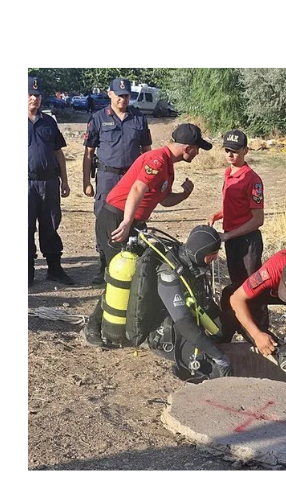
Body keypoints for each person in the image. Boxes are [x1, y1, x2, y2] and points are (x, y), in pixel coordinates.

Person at [83, 124, 211, 345]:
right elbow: (137, 189)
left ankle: (129, 324)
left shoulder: (168, 165)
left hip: (132, 221)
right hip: (116, 218)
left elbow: (163, 199)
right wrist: (126, 222)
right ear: (187, 148)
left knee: (139, 273)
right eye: (197, 148)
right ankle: (94, 326)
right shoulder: (157, 160)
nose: (198, 153)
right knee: (119, 274)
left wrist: (184, 195)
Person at [83, 77, 151, 284]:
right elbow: (88, 153)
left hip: (132, 178)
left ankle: (134, 263)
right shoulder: (97, 118)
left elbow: (147, 152)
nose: (123, 99)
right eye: (119, 95)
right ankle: (104, 265)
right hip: (107, 177)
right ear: (109, 93)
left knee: (135, 218)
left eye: (126, 95)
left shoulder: (139, 118)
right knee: (104, 220)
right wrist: (86, 182)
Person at [156, 226, 232, 380]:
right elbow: (184, 324)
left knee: (228, 323)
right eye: (213, 254)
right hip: (169, 332)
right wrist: (218, 357)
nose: (216, 258)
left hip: (191, 318)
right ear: (199, 253)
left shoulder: (193, 264)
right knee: (210, 366)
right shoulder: (169, 273)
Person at [220, 249, 286, 355]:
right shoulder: (270, 271)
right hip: (273, 288)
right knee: (229, 295)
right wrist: (256, 334)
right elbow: (236, 298)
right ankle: (270, 346)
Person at [26, 75, 73, 287]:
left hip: (49, 183)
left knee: (51, 225)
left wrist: (64, 181)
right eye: (29, 95)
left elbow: (58, 153)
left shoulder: (49, 122)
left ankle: (55, 269)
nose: (34, 99)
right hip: (27, 184)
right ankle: (28, 272)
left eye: (37, 95)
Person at [209, 130, 265, 292]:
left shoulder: (253, 180)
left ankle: (257, 318)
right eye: (227, 150)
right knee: (236, 285)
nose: (230, 155)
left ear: (245, 151)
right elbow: (235, 205)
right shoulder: (228, 173)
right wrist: (217, 215)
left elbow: (257, 219)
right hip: (232, 239)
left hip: (247, 241)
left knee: (253, 289)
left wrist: (227, 236)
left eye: (235, 151)